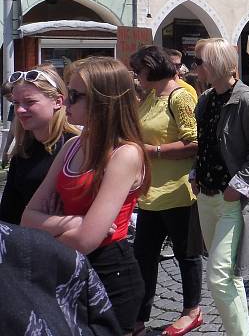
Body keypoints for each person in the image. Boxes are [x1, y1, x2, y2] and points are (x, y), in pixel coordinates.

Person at [22, 57, 151, 335]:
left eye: (75, 96)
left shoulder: (125, 153)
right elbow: (26, 218)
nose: (66, 103)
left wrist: (52, 224)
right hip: (67, 268)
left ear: (104, 101)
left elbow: (87, 240)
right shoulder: (71, 146)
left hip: (109, 274)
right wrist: (70, 222)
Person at [189, 38, 249, 336]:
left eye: (199, 61)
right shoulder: (206, 99)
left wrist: (237, 186)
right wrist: (195, 171)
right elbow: (206, 145)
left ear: (215, 64)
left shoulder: (246, 99)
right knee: (229, 276)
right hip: (206, 195)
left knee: (218, 276)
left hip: (232, 201)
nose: (195, 67)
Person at [129, 46, 203, 336]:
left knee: (186, 255)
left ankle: (192, 310)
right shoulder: (149, 97)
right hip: (150, 193)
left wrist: (153, 151)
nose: (136, 76)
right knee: (143, 257)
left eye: (139, 70)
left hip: (177, 190)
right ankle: (138, 317)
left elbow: (194, 142)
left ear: (152, 67)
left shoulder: (180, 96)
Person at [0, 220, 121, 335]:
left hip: (106, 272)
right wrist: (81, 221)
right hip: (48, 264)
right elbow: (27, 221)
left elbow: (83, 241)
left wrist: (50, 231)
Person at [0, 67, 80, 225]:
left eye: (30, 102)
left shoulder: (77, 147)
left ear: (58, 102)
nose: (20, 110)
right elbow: (8, 215)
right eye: (16, 103)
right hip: (29, 244)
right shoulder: (23, 152)